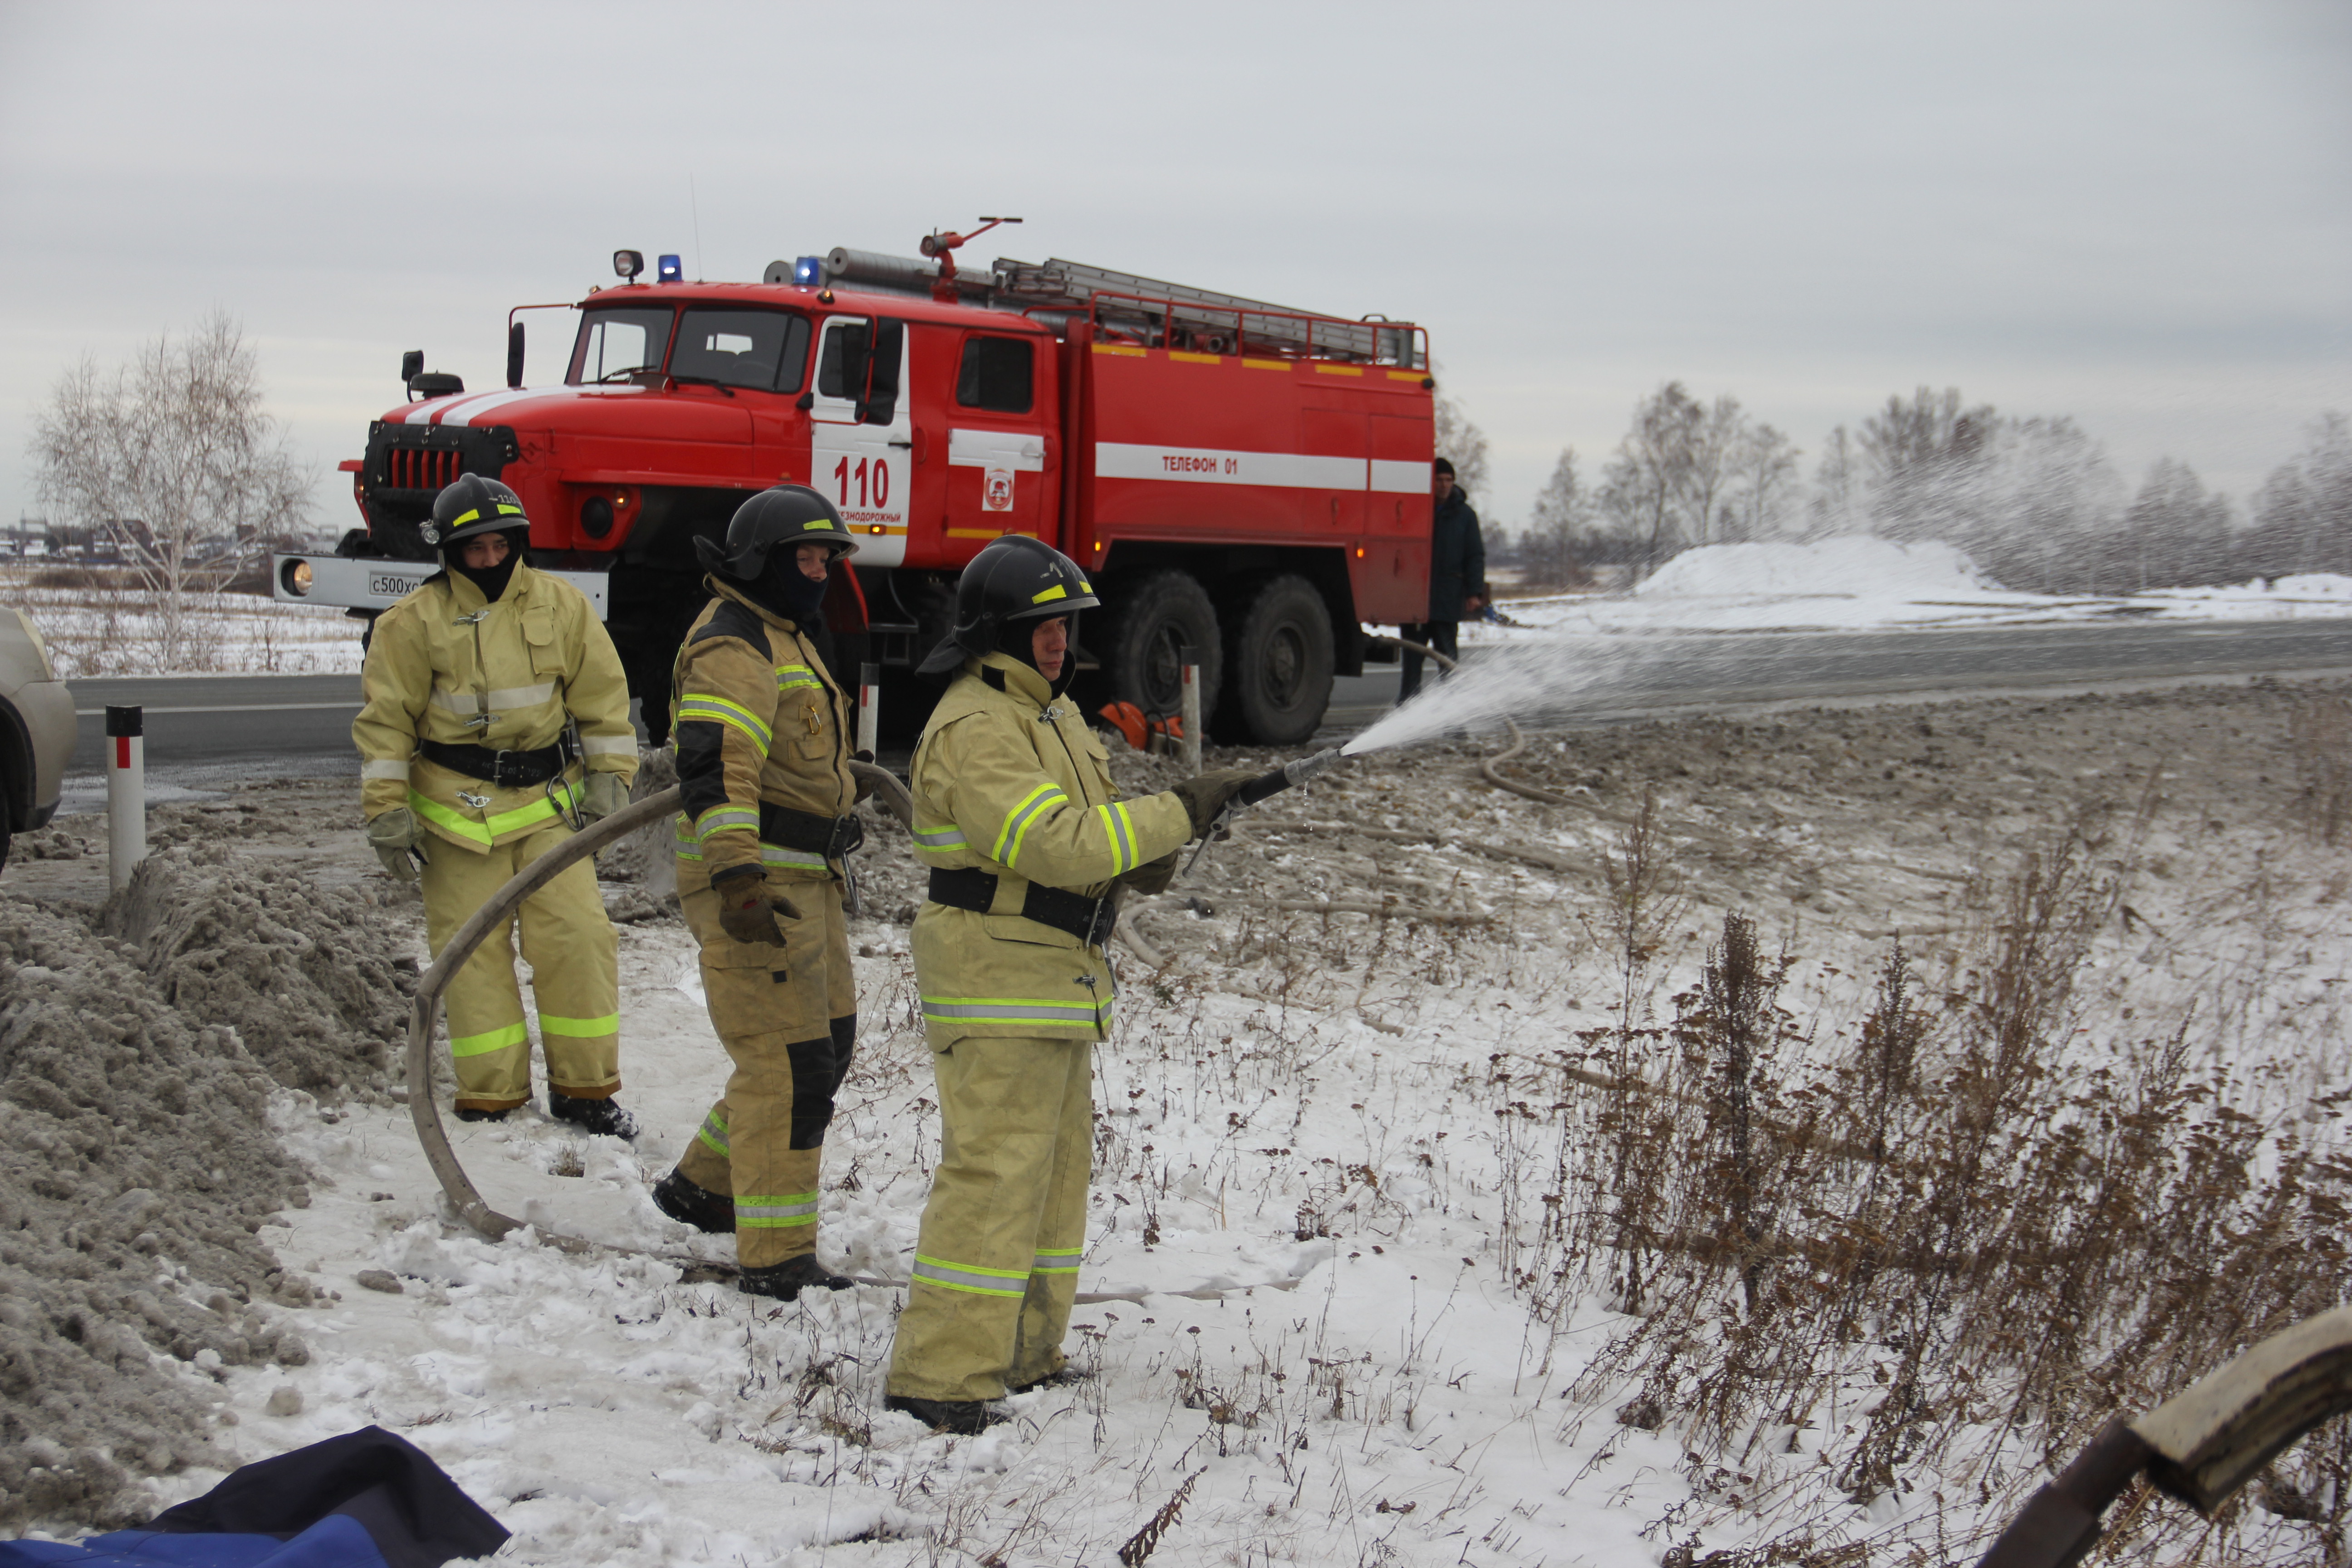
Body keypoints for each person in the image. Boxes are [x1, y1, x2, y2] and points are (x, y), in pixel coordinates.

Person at [881, 535, 1256, 1433]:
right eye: (1042, 626)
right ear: (996, 631)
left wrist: (1156, 850)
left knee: (1051, 1182)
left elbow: (1096, 834)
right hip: (997, 976)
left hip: (1054, 978)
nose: (1059, 642)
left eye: (1067, 625)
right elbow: (1054, 845)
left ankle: (1021, 1354)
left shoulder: (1052, 719)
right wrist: (1175, 811)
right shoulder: (977, 726)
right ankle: (940, 1376)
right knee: (995, 1174)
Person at [353, 475, 640, 1132]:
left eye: (500, 546)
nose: (489, 560)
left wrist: (611, 781)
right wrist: (386, 810)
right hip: (454, 818)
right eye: (474, 549)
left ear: (518, 542)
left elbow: (603, 704)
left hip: (548, 810)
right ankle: (493, 1097)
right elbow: (385, 726)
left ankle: (586, 1091)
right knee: (472, 960)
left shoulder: (563, 607)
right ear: (449, 552)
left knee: (579, 940)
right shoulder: (410, 623)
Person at [647, 485, 873, 1303]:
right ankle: (775, 1256)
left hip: (806, 881)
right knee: (787, 1063)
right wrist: (737, 877)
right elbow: (718, 767)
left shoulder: (784, 633)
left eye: (824, 559)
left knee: (830, 1043)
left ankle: (703, 1188)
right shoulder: (732, 644)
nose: (818, 573)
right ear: (763, 563)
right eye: (807, 559)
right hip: (757, 888)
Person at [1397, 456, 1488, 702]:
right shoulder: (1416, 510)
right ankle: (1407, 711)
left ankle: (1452, 722)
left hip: (1448, 599)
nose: (1444, 485)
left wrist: (1473, 592)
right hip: (1416, 601)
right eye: (1439, 480)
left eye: (1449, 480)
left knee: (1448, 662)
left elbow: (1475, 555)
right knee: (1412, 664)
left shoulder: (1465, 516)